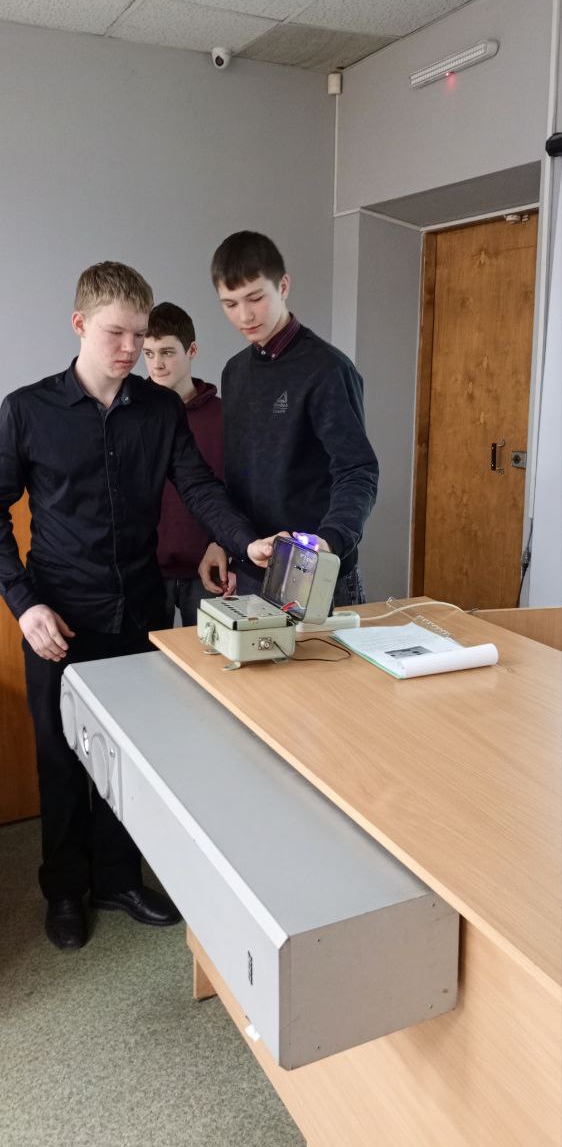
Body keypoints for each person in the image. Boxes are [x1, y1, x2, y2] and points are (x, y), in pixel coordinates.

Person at [0, 261, 274, 952]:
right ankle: (66, 889)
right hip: (58, 617)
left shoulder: (158, 410)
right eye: (115, 333)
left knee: (127, 757)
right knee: (62, 758)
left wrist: (244, 541)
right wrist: (24, 605)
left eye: (140, 334)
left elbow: (199, 487)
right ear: (79, 324)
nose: (131, 349)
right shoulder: (27, 411)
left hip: (138, 612)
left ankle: (119, 879)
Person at [199, 231, 379, 605]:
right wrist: (223, 540)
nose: (244, 316)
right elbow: (239, 474)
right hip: (252, 571)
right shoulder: (235, 372)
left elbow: (357, 470)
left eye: (255, 298)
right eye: (230, 304)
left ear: (283, 286)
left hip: (316, 574)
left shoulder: (327, 370)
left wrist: (329, 542)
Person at [143, 301, 233, 627]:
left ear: (191, 350)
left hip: (210, 565)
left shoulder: (225, 416)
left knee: (211, 655)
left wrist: (222, 542)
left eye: (167, 352)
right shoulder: (131, 414)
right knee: (147, 657)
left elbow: (241, 488)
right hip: (147, 571)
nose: (157, 364)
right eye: (148, 353)